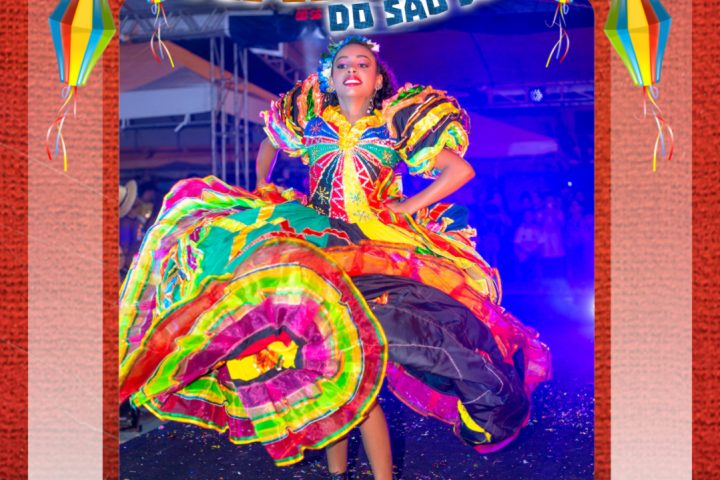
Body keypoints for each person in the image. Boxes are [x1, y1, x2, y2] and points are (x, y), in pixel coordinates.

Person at [119, 36, 551, 480]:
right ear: (330, 77)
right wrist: (262, 186)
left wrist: (408, 207)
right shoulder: (311, 121)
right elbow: (270, 142)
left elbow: (460, 170)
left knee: (371, 354)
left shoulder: (395, 124)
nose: (351, 70)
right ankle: (338, 473)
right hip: (319, 241)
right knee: (328, 364)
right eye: (343, 64)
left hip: (376, 249)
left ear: (378, 80)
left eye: (362, 64)